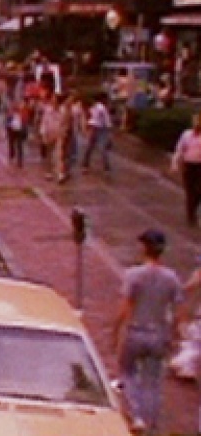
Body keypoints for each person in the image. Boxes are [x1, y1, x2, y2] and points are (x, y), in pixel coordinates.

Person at [113, 229, 183, 433]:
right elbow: (176, 310)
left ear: (144, 248)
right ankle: (150, 421)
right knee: (152, 380)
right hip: (158, 333)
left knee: (127, 372)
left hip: (136, 331)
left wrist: (116, 329)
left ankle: (136, 415)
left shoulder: (134, 275)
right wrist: (174, 334)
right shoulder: (171, 278)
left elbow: (126, 306)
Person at [171, 113, 201, 227]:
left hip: (200, 166)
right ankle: (191, 214)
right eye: (195, 122)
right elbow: (180, 149)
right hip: (188, 165)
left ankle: (194, 207)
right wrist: (174, 163)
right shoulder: (187, 134)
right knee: (190, 191)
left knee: (198, 191)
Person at [82, 93, 112, 173]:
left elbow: (89, 116)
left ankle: (85, 165)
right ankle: (106, 167)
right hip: (100, 129)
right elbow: (107, 121)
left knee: (89, 147)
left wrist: (87, 125)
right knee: (102, 149)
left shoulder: (94, 107)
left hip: (93, 127)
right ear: (103, 99)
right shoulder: (102, 108)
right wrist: (109, 132)